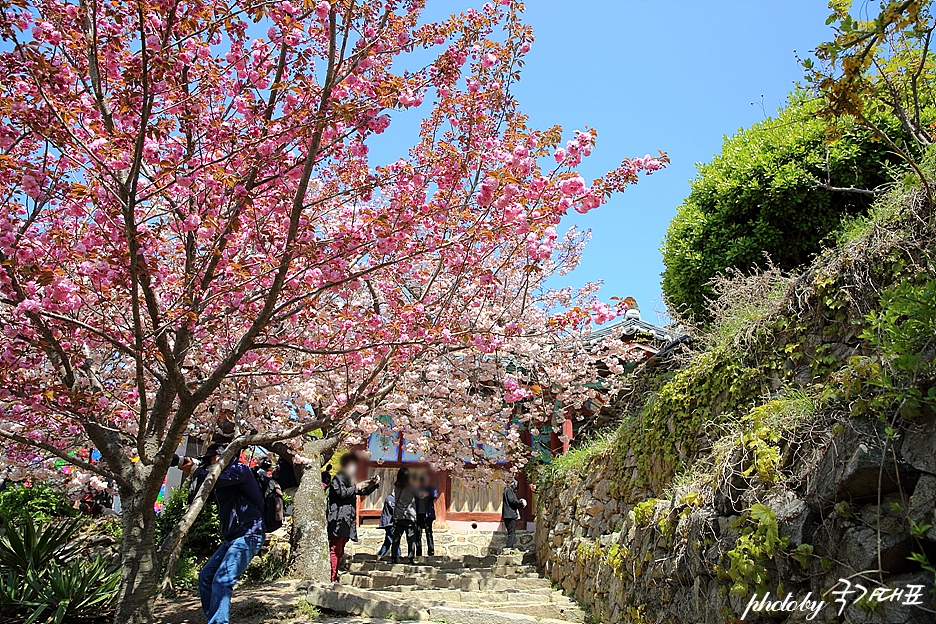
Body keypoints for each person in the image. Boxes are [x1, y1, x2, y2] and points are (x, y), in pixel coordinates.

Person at [172, 443, 265, 624]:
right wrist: (193, 472)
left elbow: (216, 480)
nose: (210, 462)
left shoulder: (239, 469)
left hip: (248, 533)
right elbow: (202, 497)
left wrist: (195, 469)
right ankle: (215, 619)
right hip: (232, 537)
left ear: (224, 457)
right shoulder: (222, 476)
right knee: (206, 577)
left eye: (212, 458)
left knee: (222, 580)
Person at [326, 454, 379, 583]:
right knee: (335, 548)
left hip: (347, 519)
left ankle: (335, 574)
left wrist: (372, 484)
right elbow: (342, 493)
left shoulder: (349, 479)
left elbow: (362, 492)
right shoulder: (338, 478)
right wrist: (356, 487)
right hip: (338, 518)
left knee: (340, 549)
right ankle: (332, 576)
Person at [389, 467, 420, 564]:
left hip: (398, 515)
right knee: (411, 538)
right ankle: (410, 558)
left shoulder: (396, 486)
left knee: (396, 538)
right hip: (409, 515)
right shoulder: (411, 486)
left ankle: (394, 557)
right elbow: (420, 495)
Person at [415, 474, 438, 557]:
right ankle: (418, 551)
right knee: (418, 533)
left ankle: (431, 551)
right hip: (419, 514)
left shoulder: (431, 488)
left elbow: (435, 496)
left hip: (428, 514)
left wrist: (429, 489)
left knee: (429, 533)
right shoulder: (417, 489)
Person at [501, 478, 527, 551]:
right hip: (510, 515)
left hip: (507, 515)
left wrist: (520, 505)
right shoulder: (509, 490)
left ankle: (509, 548)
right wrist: (521, 503)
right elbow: (512, 501)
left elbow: (513, 503)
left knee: (511, 532)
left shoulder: (507, 491)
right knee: (511, 533)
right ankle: (508, 548)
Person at [376, 493, 400, 558]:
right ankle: (398, 555)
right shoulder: (390, 499)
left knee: (387, 542)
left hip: (391, 523)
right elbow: (393, 509)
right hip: (389, 523)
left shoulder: (394, 499)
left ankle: (380, 555)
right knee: (394, 539)